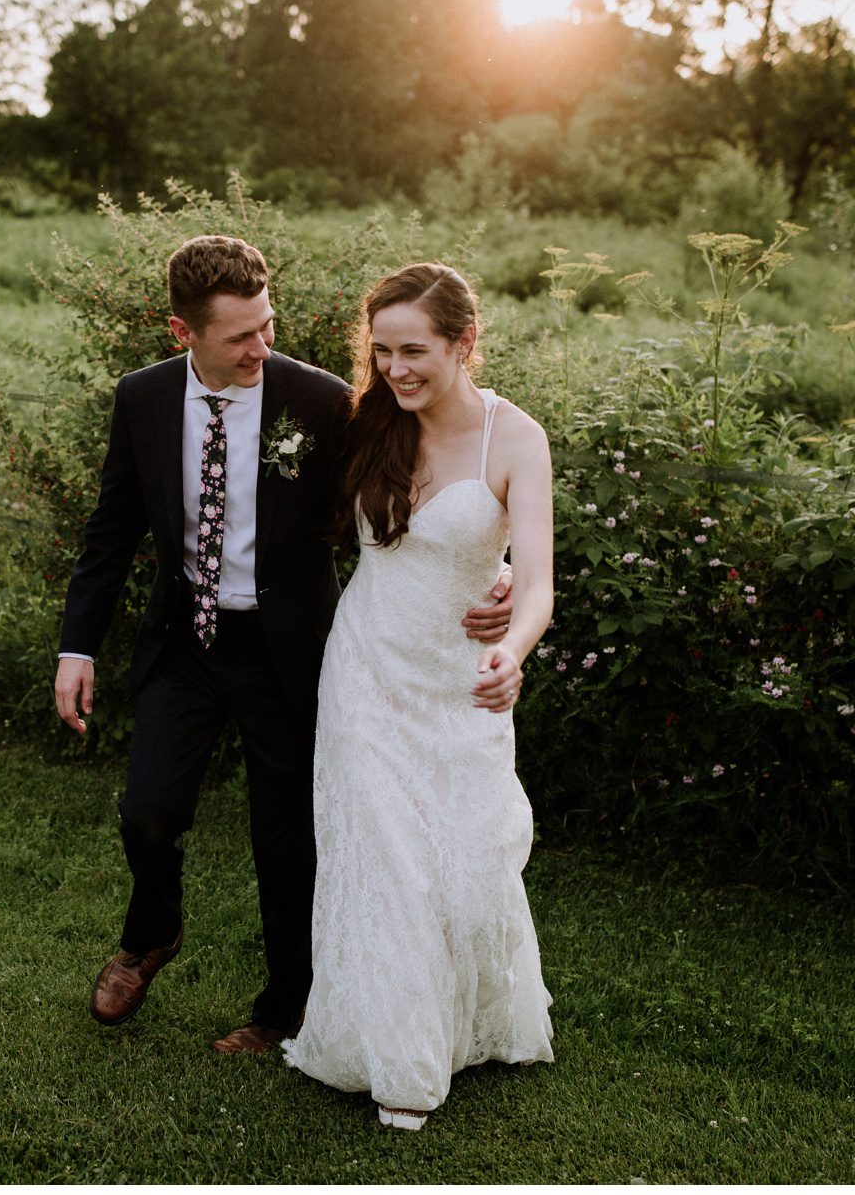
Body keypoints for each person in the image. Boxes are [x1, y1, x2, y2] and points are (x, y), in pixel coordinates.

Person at [53, 236, 514, 1054]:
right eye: (240, 337)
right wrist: (76, 646)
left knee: (287, 837)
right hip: (184, 641)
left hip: (290, 653)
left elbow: (408, 485)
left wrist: (490, 565)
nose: (262, 347)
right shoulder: (144, 399)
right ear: (180, 332)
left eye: (267, 326)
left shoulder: (321, 399)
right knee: (148, 812)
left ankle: (281, 1010)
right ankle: (151, 933)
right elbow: (112, 526)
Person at [282, 262, 555, 1129]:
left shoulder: (516, 439)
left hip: (462, 681)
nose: (397, 370)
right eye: (383, 351)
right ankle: (400, 1065)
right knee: (388, 862)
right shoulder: (367, 424)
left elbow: (542, 582)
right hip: (366, 667)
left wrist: (511, 645)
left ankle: (467, 1024)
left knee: (469, 866)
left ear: (464, 343)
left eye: (415, 352)